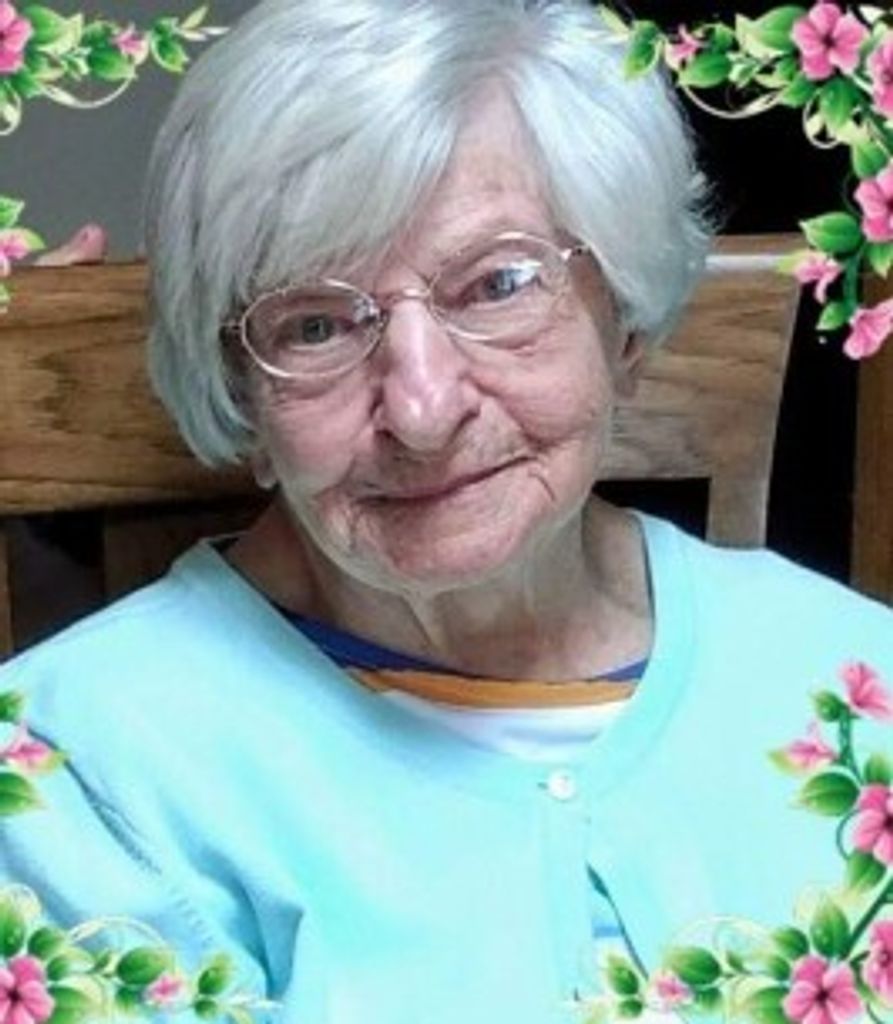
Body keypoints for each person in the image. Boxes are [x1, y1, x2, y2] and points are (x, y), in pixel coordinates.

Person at [1, 1, 891, 1022]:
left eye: (496, 284)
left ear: (625, 320)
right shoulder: (69, 775)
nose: (422, 411)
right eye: (316, 325)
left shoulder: (851, 677)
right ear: (242, 396)